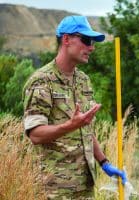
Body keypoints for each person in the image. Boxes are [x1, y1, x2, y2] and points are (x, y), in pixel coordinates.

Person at [23, 15, 126, 199]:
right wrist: (70, 125)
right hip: (54, 190)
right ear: (66, 39)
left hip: (85, 187)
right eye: (86, 40)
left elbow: (84, 127)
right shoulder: (41, 81)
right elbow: (35, 134)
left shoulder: (83, 80)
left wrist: (104, 162)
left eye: (92, 42)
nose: (91, 47)